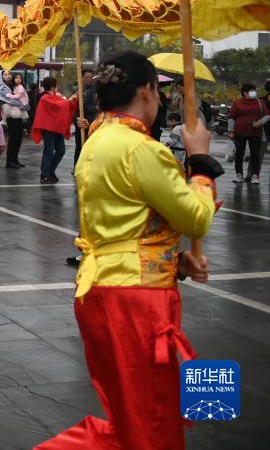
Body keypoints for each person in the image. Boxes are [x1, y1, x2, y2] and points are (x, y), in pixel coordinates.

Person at [40, 51, 219, 450]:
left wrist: (174, 262)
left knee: (131, 420)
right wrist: (201, 163)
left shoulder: (96, 141)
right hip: (135, 298)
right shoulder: (140, 148)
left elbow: (127, 225)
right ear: (146, 91)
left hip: (101, 287)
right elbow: (195, 219)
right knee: (151, 423)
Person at [31, 76, 74, 184]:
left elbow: (62, 104)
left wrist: (73, 99)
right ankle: (44, 174)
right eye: (56, 85)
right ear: (53, 87)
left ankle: (50, 171)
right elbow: (62, 104)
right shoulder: (45, 97)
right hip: (48, 128)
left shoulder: (53, 97)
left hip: (55, 128)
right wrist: (72, 98)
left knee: (61, 150)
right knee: (48, 151)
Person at [227, 82, 268, 184]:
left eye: (254, 90)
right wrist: (230, 130)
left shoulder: (260, 102)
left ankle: (255, 175)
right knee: (239, 154)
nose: (254, 92)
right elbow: (231, 117)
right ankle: (239, 175)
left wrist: (259, 123)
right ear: (245, 93)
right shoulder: (237, 103)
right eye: (251, 91)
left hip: (256, 133)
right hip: (239, 133)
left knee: (255, 155)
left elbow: (267, 115)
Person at [0, 71, 28, 168]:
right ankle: (10, 161)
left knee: (18, 138)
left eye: (9, 74)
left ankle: (15, 159)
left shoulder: (14, 85)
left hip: (19, 115)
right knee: (13, 139)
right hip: (11, 116)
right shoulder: (3, 87)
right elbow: (10, 100)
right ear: (1, 77)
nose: (8, 76)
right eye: (5, 74)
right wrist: (20, 103)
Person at [73, 68, 98, 165]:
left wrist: (85, 105)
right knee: (79, 147)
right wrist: (76, 120)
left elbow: (96, 108)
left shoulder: (97, 90)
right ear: (82, 78)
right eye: (87, 77)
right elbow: (74, 109)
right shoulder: (78, 90)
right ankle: (77, 166)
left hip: (92, 124)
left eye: (91, 77)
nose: (89, 79)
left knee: (91, 148)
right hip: (80, 124)